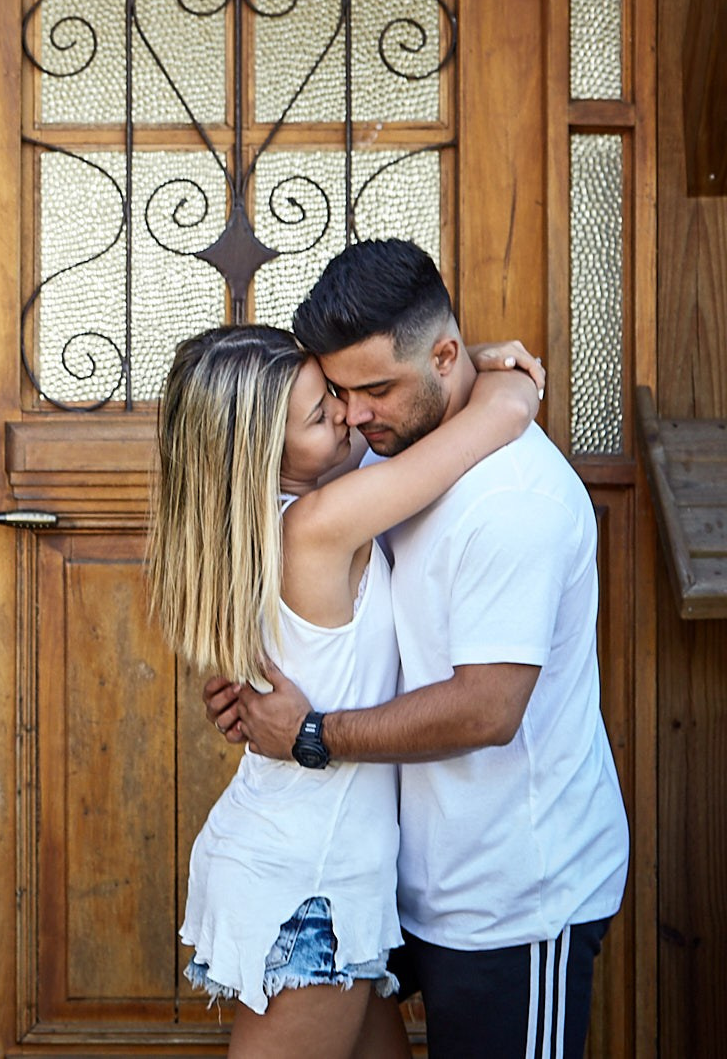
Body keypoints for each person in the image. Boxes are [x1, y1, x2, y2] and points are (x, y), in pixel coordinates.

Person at [205, 239, 630, 1059]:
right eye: (338, 393)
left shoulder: (511, 499)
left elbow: (488, 707)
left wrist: (311, 732)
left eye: (374, 390)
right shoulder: (386, 445)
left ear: (438, 357)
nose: (355, 414)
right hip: (399, 873)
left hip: (513, 891)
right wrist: (490, 371)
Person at [153, 320, 543, 1058]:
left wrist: (458, 363)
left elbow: (400, 417)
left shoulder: (261, 523)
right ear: (265, 449)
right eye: (320, 410)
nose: (346, 412)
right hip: (312, 888)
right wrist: (497, 373)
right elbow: (502, 418)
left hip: (320, 869)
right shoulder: (322, 522)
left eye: (332, 391)